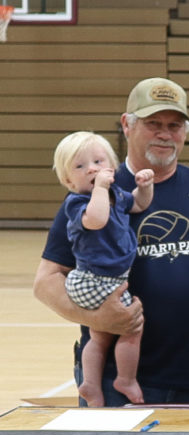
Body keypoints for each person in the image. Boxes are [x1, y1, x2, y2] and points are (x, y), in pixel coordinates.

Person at [34, 77, 189, 406]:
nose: (165, 134)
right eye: (153, 123)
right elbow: (46, 281)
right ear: (127, 124)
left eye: (175, 125)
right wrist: (97, 319)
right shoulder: (95, 190)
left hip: (188, 374)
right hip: (113, 379)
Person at [52, 131, 154, 406]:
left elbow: (140, 203)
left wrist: (144, 186)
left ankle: (90, 384)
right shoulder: (77, 202)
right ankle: (126, 379)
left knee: (99, 338)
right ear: (68, 180)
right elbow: (97, 220)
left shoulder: (117, 195)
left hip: (104, 280)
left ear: (113, 166)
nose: (92, 169)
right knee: (131, 328)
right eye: (80, 166)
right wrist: (99, 188)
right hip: (94, 280)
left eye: (98, 161)